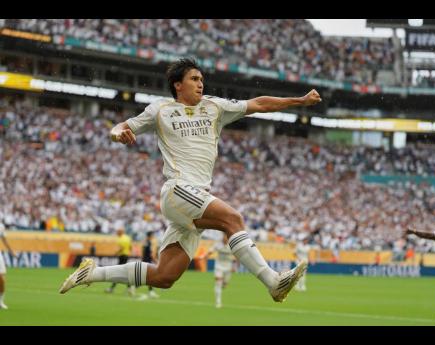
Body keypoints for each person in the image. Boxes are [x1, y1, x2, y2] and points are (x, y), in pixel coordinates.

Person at [59, 57, 321, 303]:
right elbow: (119, 127)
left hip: (195, 197)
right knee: (233, 219)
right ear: (178, 85)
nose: (200, 83)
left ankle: (91, 274)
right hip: (177, 190)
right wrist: (118, 135)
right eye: (194, 79)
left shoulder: (214, 107)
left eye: (201, 79)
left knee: (164, 276)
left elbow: (259, 104)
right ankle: (272, 282)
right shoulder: (160, 110)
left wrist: (299, 101)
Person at [202, 234, 235, 308]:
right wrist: (206, 256)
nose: (225, 238)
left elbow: (237, 256)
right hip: (219, 266)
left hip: (228, 267)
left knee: (224, 284)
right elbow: (211, 251)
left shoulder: (231, 245)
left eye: (226, 237)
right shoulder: (218, 244)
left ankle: (225, 283)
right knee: (218, 283)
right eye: (224, 236)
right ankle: (218, 302)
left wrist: (235, 266)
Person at [104, 228, 135, 296]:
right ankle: (129, 288)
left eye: (118, 232)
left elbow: (121, 248)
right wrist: (129, 252)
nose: (117, 233)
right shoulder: (127, 238)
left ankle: (112, 288)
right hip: (126, 256)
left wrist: (116, 253)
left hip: (122, 256)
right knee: (122, 273)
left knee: (118, 272)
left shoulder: (121, 239)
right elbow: (130, 247)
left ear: (121, 232)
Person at [137, 231, 160, 300]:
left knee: (146, 276)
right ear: (150, 235)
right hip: (148, 261)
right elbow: (151, 254)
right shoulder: (149, 242)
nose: (153, 236)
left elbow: (143, 252)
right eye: (153, 235)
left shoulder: (144, 242)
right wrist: (156, 261)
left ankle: (132, 286)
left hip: (144, 260)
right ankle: (151, 292)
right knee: (149, 276)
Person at [0, 221, 16, 310]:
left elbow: (4, 240)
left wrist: (11, 251)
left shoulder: (1, 226)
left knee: (2, 277)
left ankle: (0, 301)